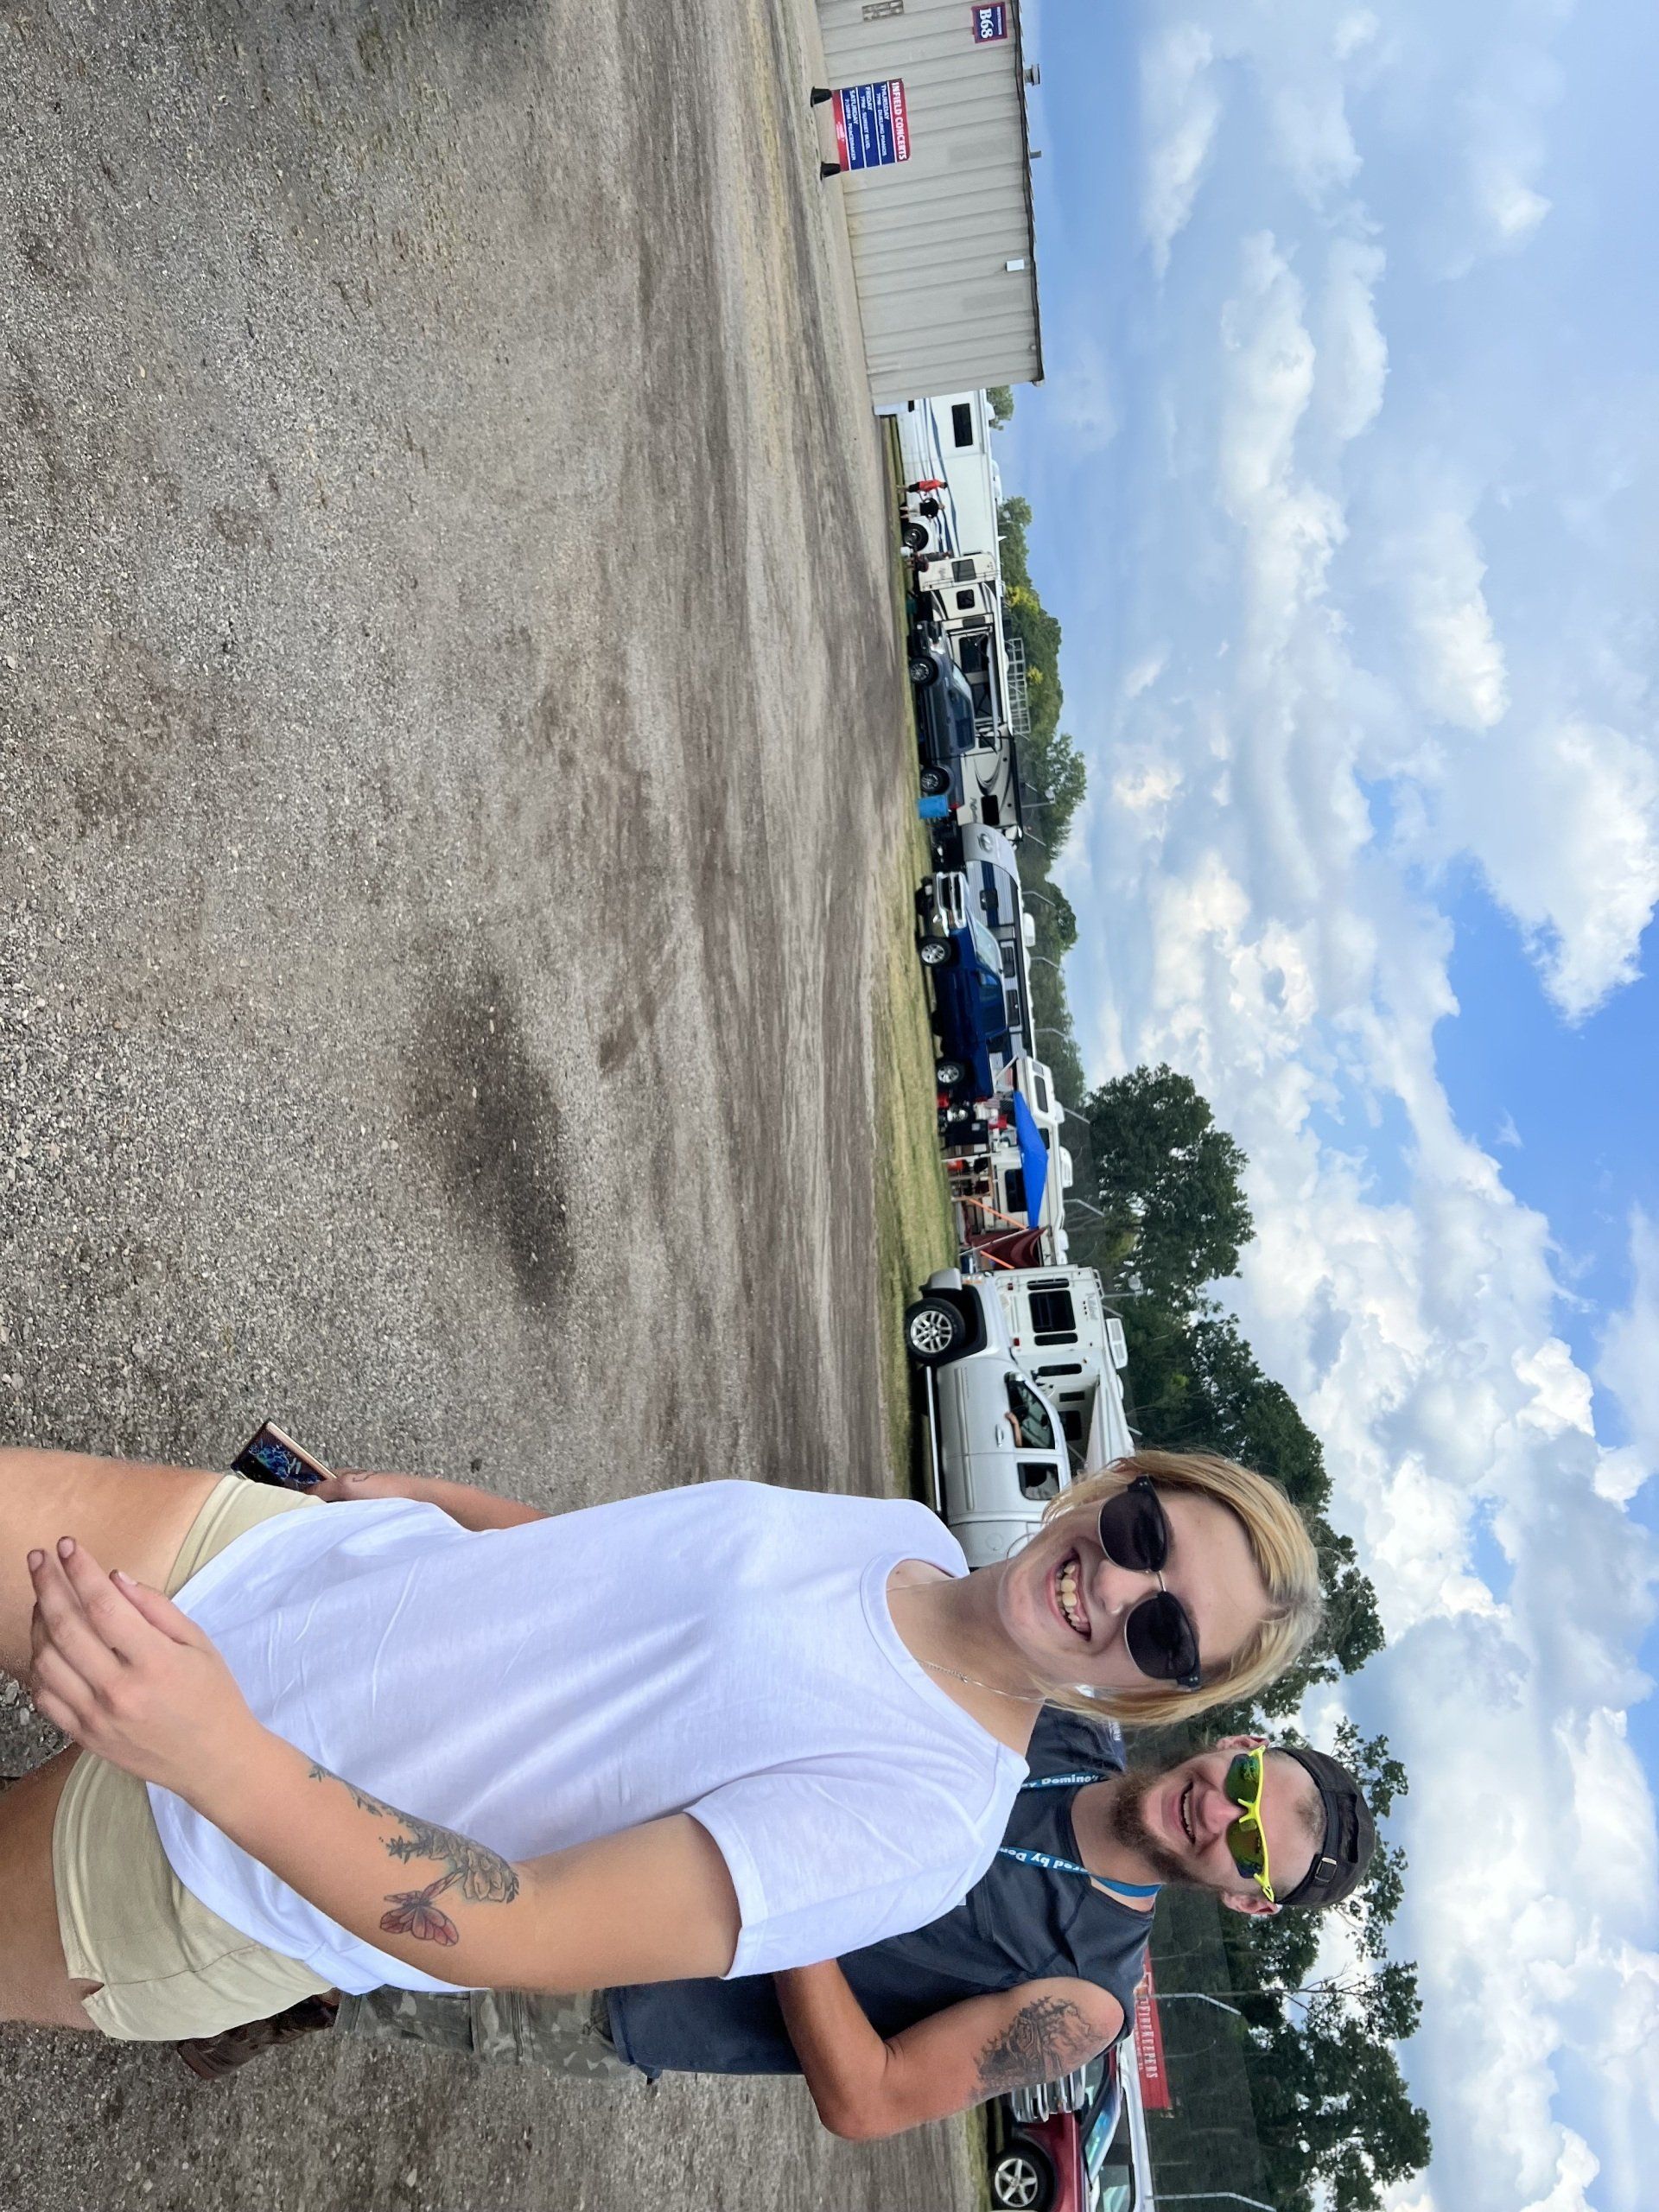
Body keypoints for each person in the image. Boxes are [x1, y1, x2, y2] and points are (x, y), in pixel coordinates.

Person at [0, 1441, 1320, 2045]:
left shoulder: (926, 1825)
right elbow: (631, 1576)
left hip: (232, 1863)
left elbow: (521, 1930)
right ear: (1119, 1486)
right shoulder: (906, 1535)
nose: (1121, 1587)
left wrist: (220, 1751)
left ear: (1151, 1699)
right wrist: (439, 1503)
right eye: (1147, 1534)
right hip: (291, 1577)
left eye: (1164, 1640)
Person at [185, 1710, 1376, 2147]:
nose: (1221, 1808)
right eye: (1250, 1774)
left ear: (1245, 1897)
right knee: (343, 1826)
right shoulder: (1056, 1730)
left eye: (1253, 1843)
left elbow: (867, 2098)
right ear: (1237, 1739)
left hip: (623, 1995)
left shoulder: (1086, 1997)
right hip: (626, 1815)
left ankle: (204, 1993)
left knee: (331, 1960)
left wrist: (793, 1874)